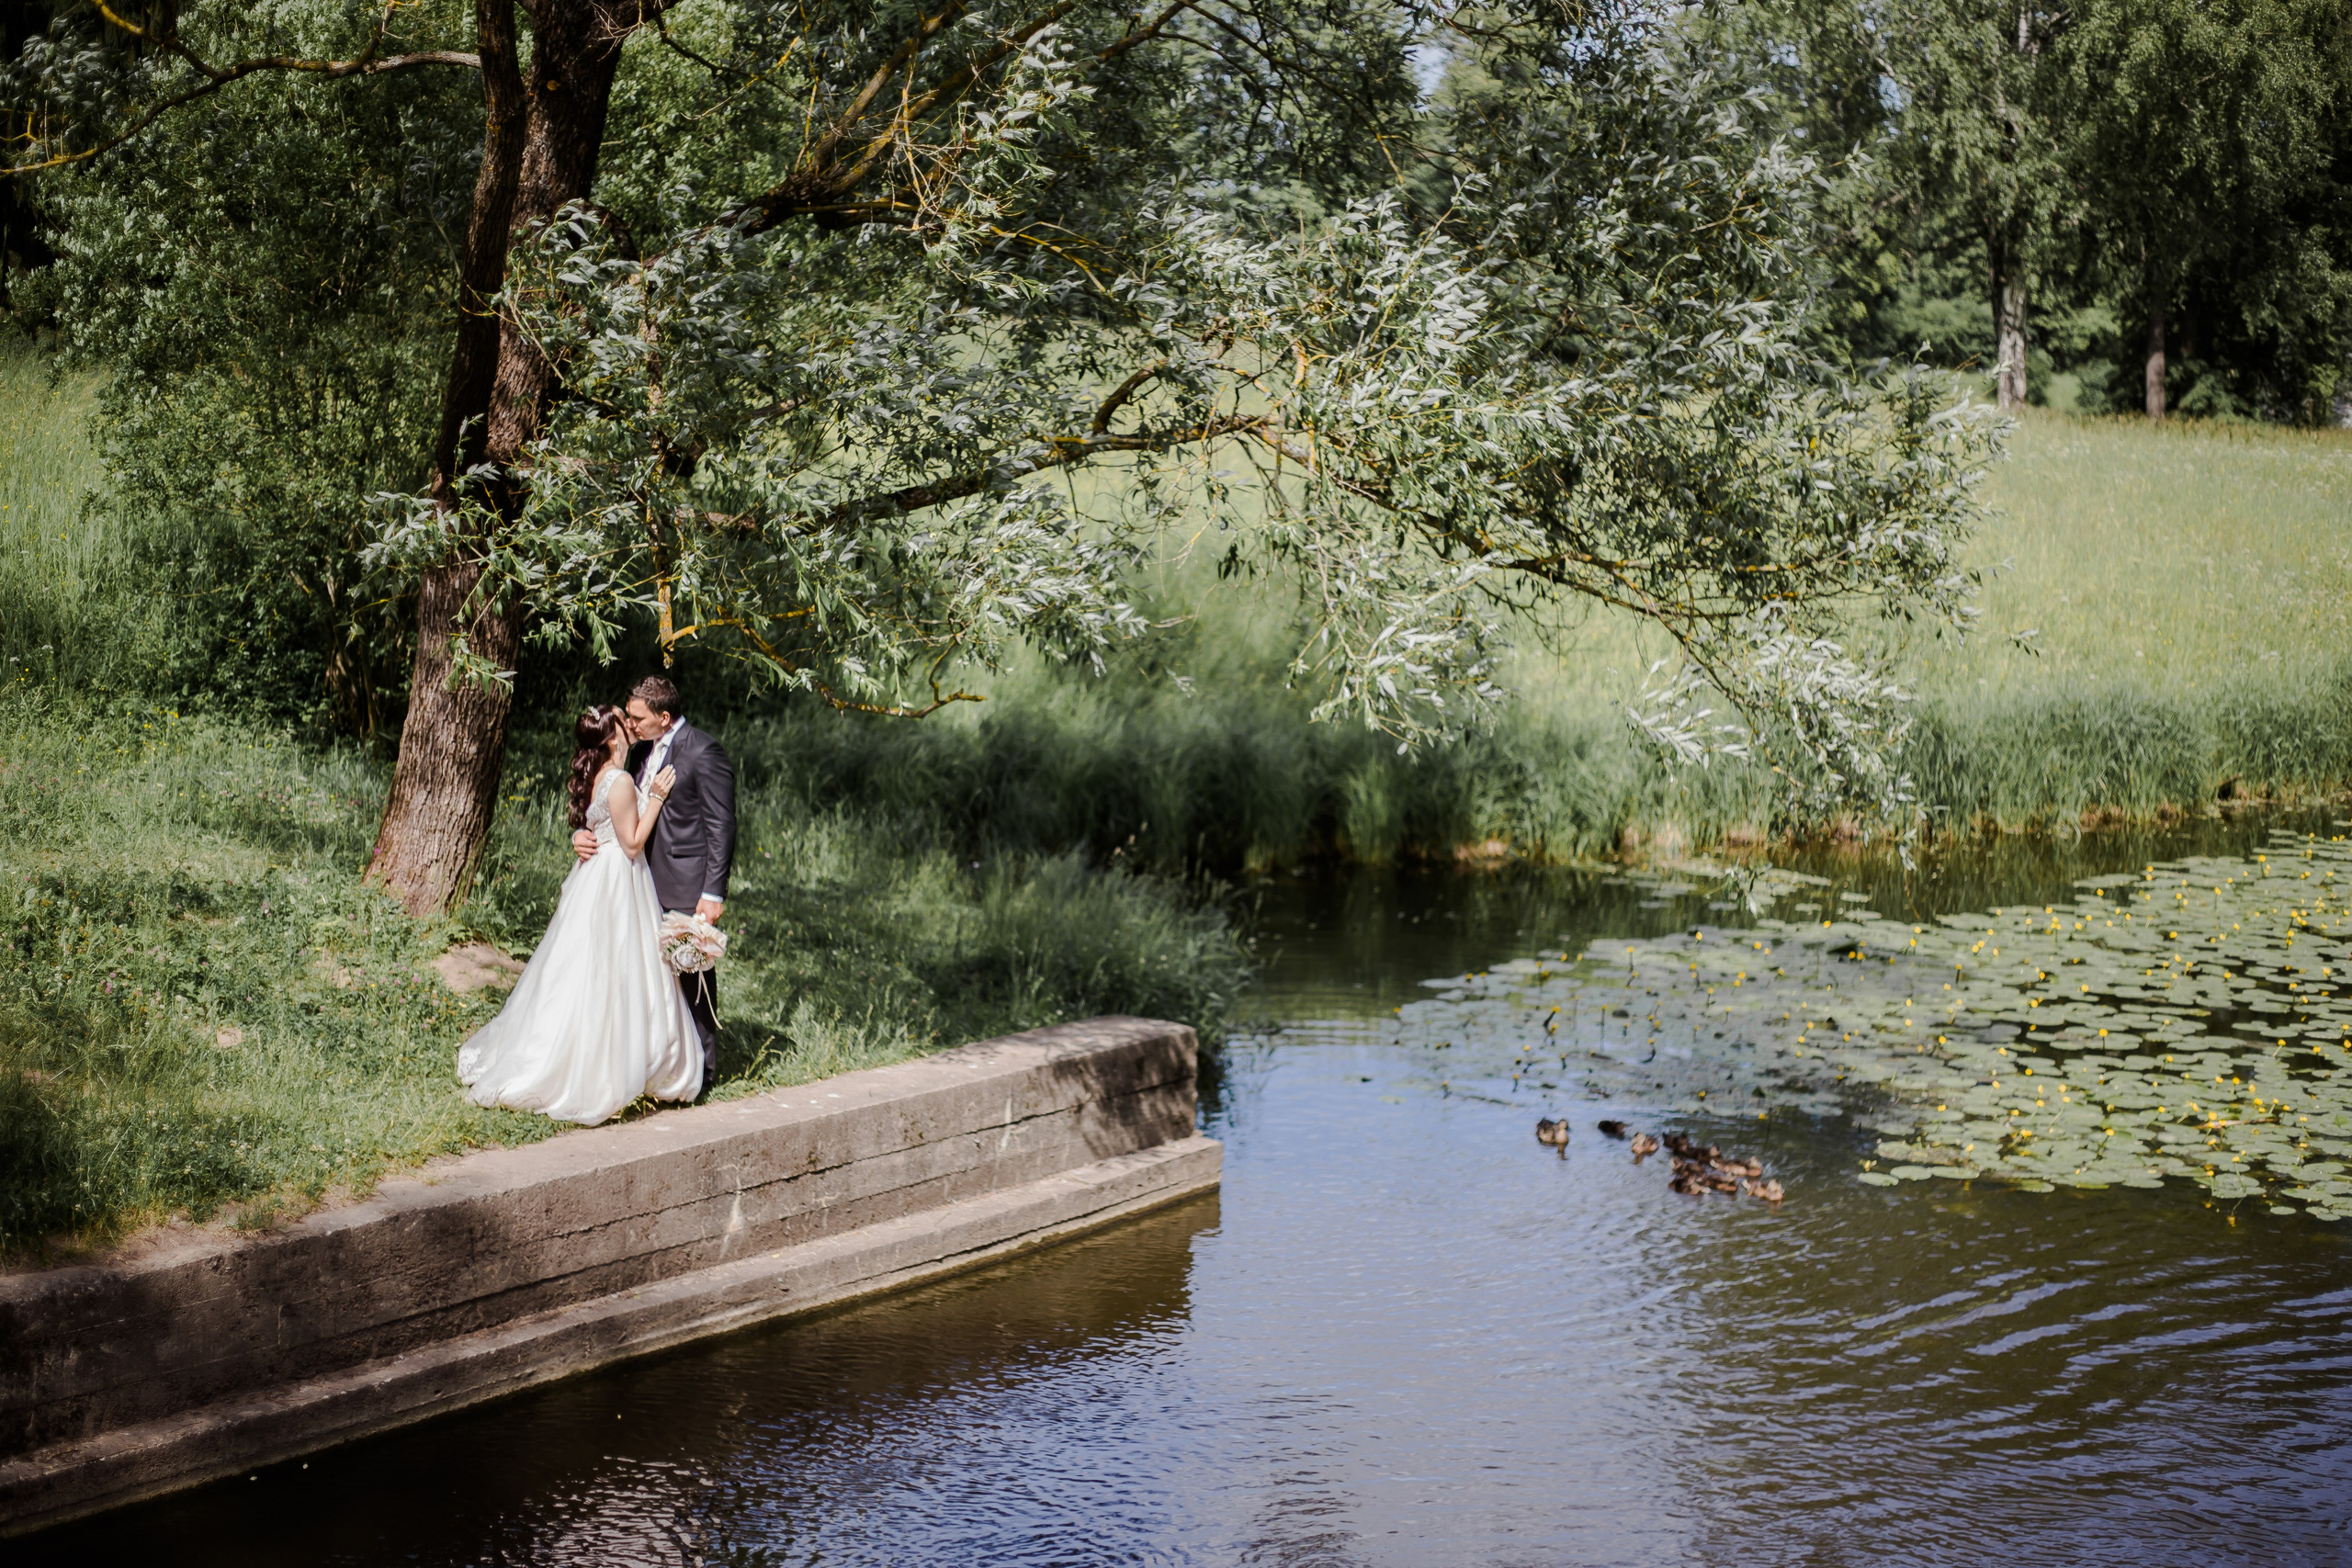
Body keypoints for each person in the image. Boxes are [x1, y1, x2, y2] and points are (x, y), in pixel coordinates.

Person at [457, 705, 702, 1124]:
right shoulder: (619, 780)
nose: (630, 725)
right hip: (617, 878)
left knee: (591, 965)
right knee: (615, 966)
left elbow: (595, 822)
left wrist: (581, 833)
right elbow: (631, 844)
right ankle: (605, 1066)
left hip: (599, 876)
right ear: (611, 737)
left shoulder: (598, 774)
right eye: (622, 721)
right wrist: (657, 798)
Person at [572, 674, 736, 1089]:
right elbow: (612, 808)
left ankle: (704, 1070)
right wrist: (581, 834)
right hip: (637, 880)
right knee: (647, 977)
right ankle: (654, 1062)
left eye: (638, 718)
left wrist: (712, 892)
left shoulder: (703, 751)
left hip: (684, 881)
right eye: (628, 717)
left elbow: (721, 826)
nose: (631, 724)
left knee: (691, 971)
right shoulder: (642, 751)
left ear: (664, 717)